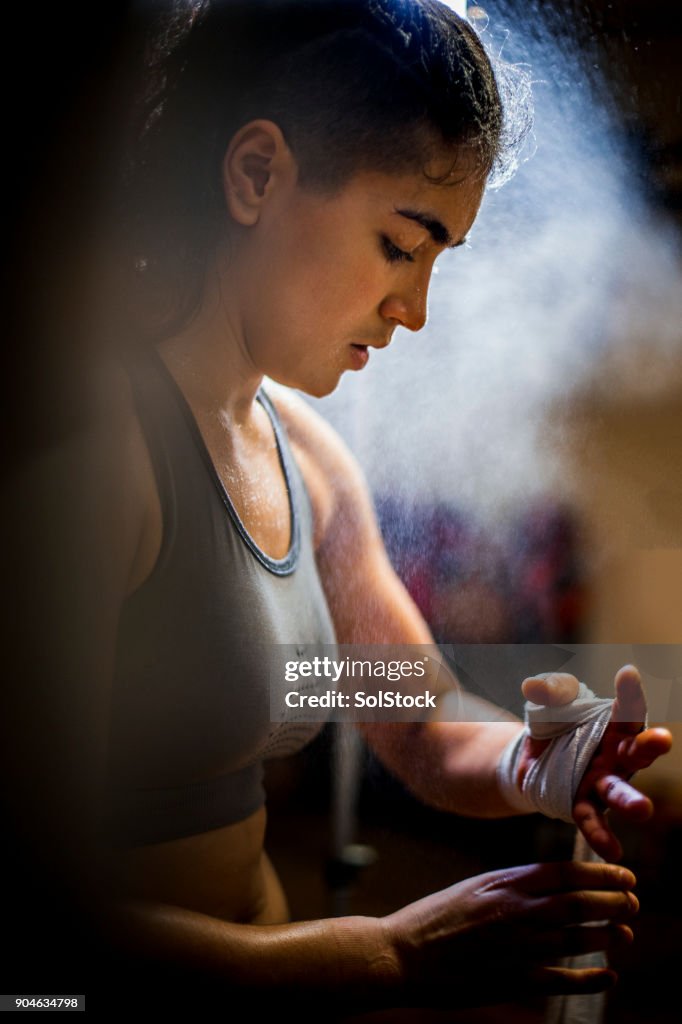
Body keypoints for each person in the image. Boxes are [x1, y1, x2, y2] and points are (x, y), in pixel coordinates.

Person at [3, 0, 672, 1017]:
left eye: (439, 262)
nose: (417, 308)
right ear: (256, 175)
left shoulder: (307, 463)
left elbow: (415, 715)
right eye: (402, 245)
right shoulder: (101, 459)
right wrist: (390, 954)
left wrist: (540, 760)